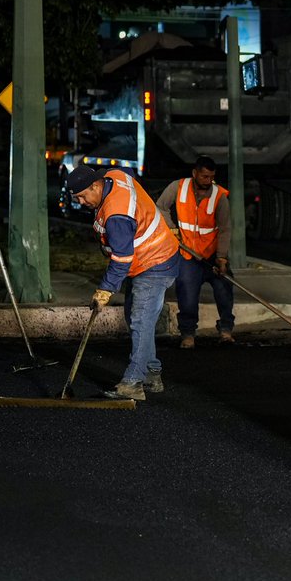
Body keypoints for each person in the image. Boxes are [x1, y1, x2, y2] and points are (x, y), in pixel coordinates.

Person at [66, 165, 180, 400]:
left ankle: (133, 383)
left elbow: (121, 259)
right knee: (136, 317)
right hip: (149, 258)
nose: (80, 202)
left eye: (82, 196)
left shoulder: (117, 214)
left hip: (154, 262)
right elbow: (125, 174)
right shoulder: (113, 176)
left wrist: (105, 290)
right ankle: (151, 373)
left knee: (140, 319)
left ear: (96, 186)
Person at [154, 156, 235, 349]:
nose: (208, 181)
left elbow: (225, 228)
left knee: (225, 291)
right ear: (195, 174)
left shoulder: (219, 197)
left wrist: (222, 258)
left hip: (213, 256)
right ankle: (188, 334)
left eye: (211, 177)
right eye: (205, 176)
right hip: (189, 255)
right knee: (187, 295)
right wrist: (173, 229)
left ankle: (226, 330)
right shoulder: (178, 187)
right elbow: (160, 207)